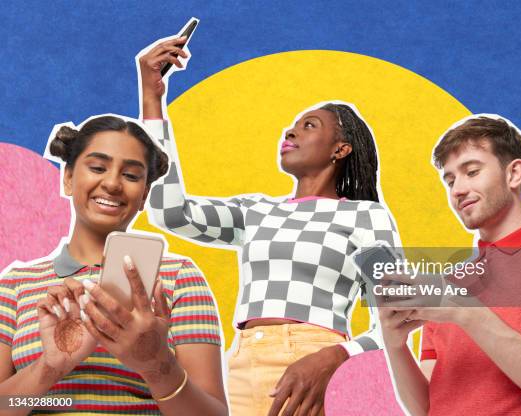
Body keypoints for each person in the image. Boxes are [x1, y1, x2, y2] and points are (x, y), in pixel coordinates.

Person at [137, 37, 403, 416]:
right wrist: (152, 97)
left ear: (340, 149)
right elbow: (169, 212)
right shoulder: (256, 211)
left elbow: (396, 320)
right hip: (242, 366)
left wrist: (335, 356)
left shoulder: (365, 216)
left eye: (308, 126)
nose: (290, 132)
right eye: (291, 126)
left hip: (314, 369)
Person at [380, 115, 521, 416]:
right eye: (450, 180)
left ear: (514, 174)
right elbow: (426, 408)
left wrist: (466, 312)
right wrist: (394, 345)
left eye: (471, 172)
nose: (457, 189)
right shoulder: (448, 285)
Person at [0, 116, 227, 415]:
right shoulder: (15, 284)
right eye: (97, 167)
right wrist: (51, 366)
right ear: (68, 178)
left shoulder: (178, 278)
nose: (112, 183)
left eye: (132, 176)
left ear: (144, 194)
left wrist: (157, 364)